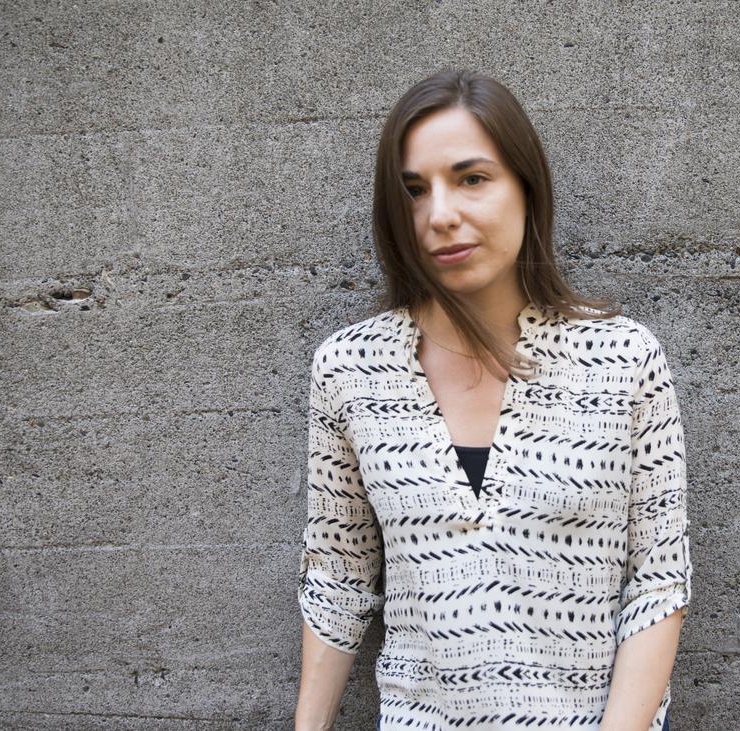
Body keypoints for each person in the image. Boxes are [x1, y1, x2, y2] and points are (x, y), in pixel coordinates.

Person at [294, 68, 690, 731]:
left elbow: (658, 581)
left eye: (472, 178)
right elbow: (337, 576)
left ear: (526, 188)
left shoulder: (623, 359)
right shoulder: (350, 369)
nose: (440, 215)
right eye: (414, 190)